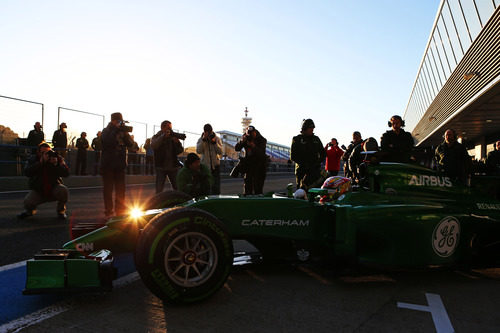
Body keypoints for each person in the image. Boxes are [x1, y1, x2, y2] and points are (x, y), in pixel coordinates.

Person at [17, 143, 69, 220]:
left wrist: (56, 165)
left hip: (54, 188)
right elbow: (27, 172)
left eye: (48, 152)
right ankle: (29, 211)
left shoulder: (56, 158)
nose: (47, 155)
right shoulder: (33, 159)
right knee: (28, 202)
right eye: (43, 153)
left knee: (63, 190)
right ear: (38, 152)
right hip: (39, 190)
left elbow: (66, 173)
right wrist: (40, 163)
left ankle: (61, 211)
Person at [100, 112, 134, 218]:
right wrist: (116, 129)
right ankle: (108, 211)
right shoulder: (106, 131)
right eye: (118, 121)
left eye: (121, 121)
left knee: (121, 191)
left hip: (120, 166)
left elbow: (130, 144)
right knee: (108, 190)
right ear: (113, 121)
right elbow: (106, 142)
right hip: (108, 165)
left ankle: (120, 211)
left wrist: (125, 133)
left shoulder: (123, 132)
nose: (119, 123)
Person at [290, 119, 325, 189]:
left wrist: (317, 163)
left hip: (314, 170)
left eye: (313, 128)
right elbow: (293, 156)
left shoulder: (316, 139)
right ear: (304, 128)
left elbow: (323, 153)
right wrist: (304, 164)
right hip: (301, 171)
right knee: (301, 191)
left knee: (316, 190)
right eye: (310, 128)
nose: (312, 129)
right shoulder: (297, 139)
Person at [151, 120, 184, 193]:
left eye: (171, 127)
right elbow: (153, 145)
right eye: (168, 127)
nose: (170, 129)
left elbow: (180, 151)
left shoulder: (173, 137)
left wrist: (177, 143)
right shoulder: (157, 136)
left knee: (177, 188)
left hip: (173, 167)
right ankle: (158, 203)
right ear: (163, 128)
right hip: (161, 167)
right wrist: (163, 137)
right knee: (159, 190)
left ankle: (178, 202)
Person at [235, 125, 268, 195]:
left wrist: (254, 146)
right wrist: (241, 141)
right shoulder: (245, 138)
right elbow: (237, 148)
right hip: (249, 165)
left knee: (258, 188)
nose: (250, 136)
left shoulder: (262, 140)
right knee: (247, 187)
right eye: (248, 134)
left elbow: (262, 154)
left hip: (260, 166)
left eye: (251, 134)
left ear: (255, 133)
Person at [196, 123, 223, 194]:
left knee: (216, 186)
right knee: (205, 186)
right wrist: (203, 140)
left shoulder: (217, 139)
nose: (209, 134)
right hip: (205, 166)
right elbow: (198, 151)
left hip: (215, 166)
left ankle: (216, 199)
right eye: (207, 132)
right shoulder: (201, 139)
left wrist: (214, 143)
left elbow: (220, 152)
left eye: (210, 132)